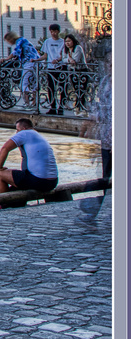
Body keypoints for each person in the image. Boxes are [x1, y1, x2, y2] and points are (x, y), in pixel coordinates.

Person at [77, 53, 112, 227]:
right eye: (109, 63)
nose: (112, 67)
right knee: (106, 176)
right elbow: (100, 107)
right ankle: (92, 211)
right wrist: (88, 123)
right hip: (106, 139)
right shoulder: (105, 81)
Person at [0, 117, 58, 194]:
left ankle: (3, 203)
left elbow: (5, 148)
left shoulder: (24, 133)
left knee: (0, 175)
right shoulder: (37, 135)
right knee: (18, 182)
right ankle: (15, 203)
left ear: (23, 128)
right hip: (52, 182)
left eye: (17, 130)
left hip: (39, 181)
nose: (16, 133)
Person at [3, 30, 40, 109]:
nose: (9, 43)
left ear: (10, 38)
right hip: (36, 62)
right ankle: (34, 103)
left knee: (24, 83)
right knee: (33, 83)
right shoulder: (23, 40)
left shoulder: (19, 41)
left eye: (8, 41)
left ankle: (27, 103)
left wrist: (6, 59)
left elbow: (16, 52)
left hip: (29, 62)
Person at [39, 23, 64, 115]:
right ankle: (52, 107)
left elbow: (64, 55)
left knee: (62, 87)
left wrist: (57, 60)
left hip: (61, 67)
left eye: (55, 31)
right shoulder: (47, 42)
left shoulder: (63, 42)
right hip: (51, 67)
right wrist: (36, 59)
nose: (53, 33)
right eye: (52, 32)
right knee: (51, 88)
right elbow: (45, 55)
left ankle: (61, 107)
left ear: (58, 32)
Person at [60, 33, 88, 112]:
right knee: (76, 89)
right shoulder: (65, 50)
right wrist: (69, 60)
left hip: (82, 71)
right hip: (73, 71)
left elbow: (76, 60)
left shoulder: (78, 48)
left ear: (73, 41)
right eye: (66, 42)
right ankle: (78, 106)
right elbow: (64, 59)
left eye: (69, 41)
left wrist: (69, 60)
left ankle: (81, 107)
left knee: (82, 89)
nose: (67, 43)